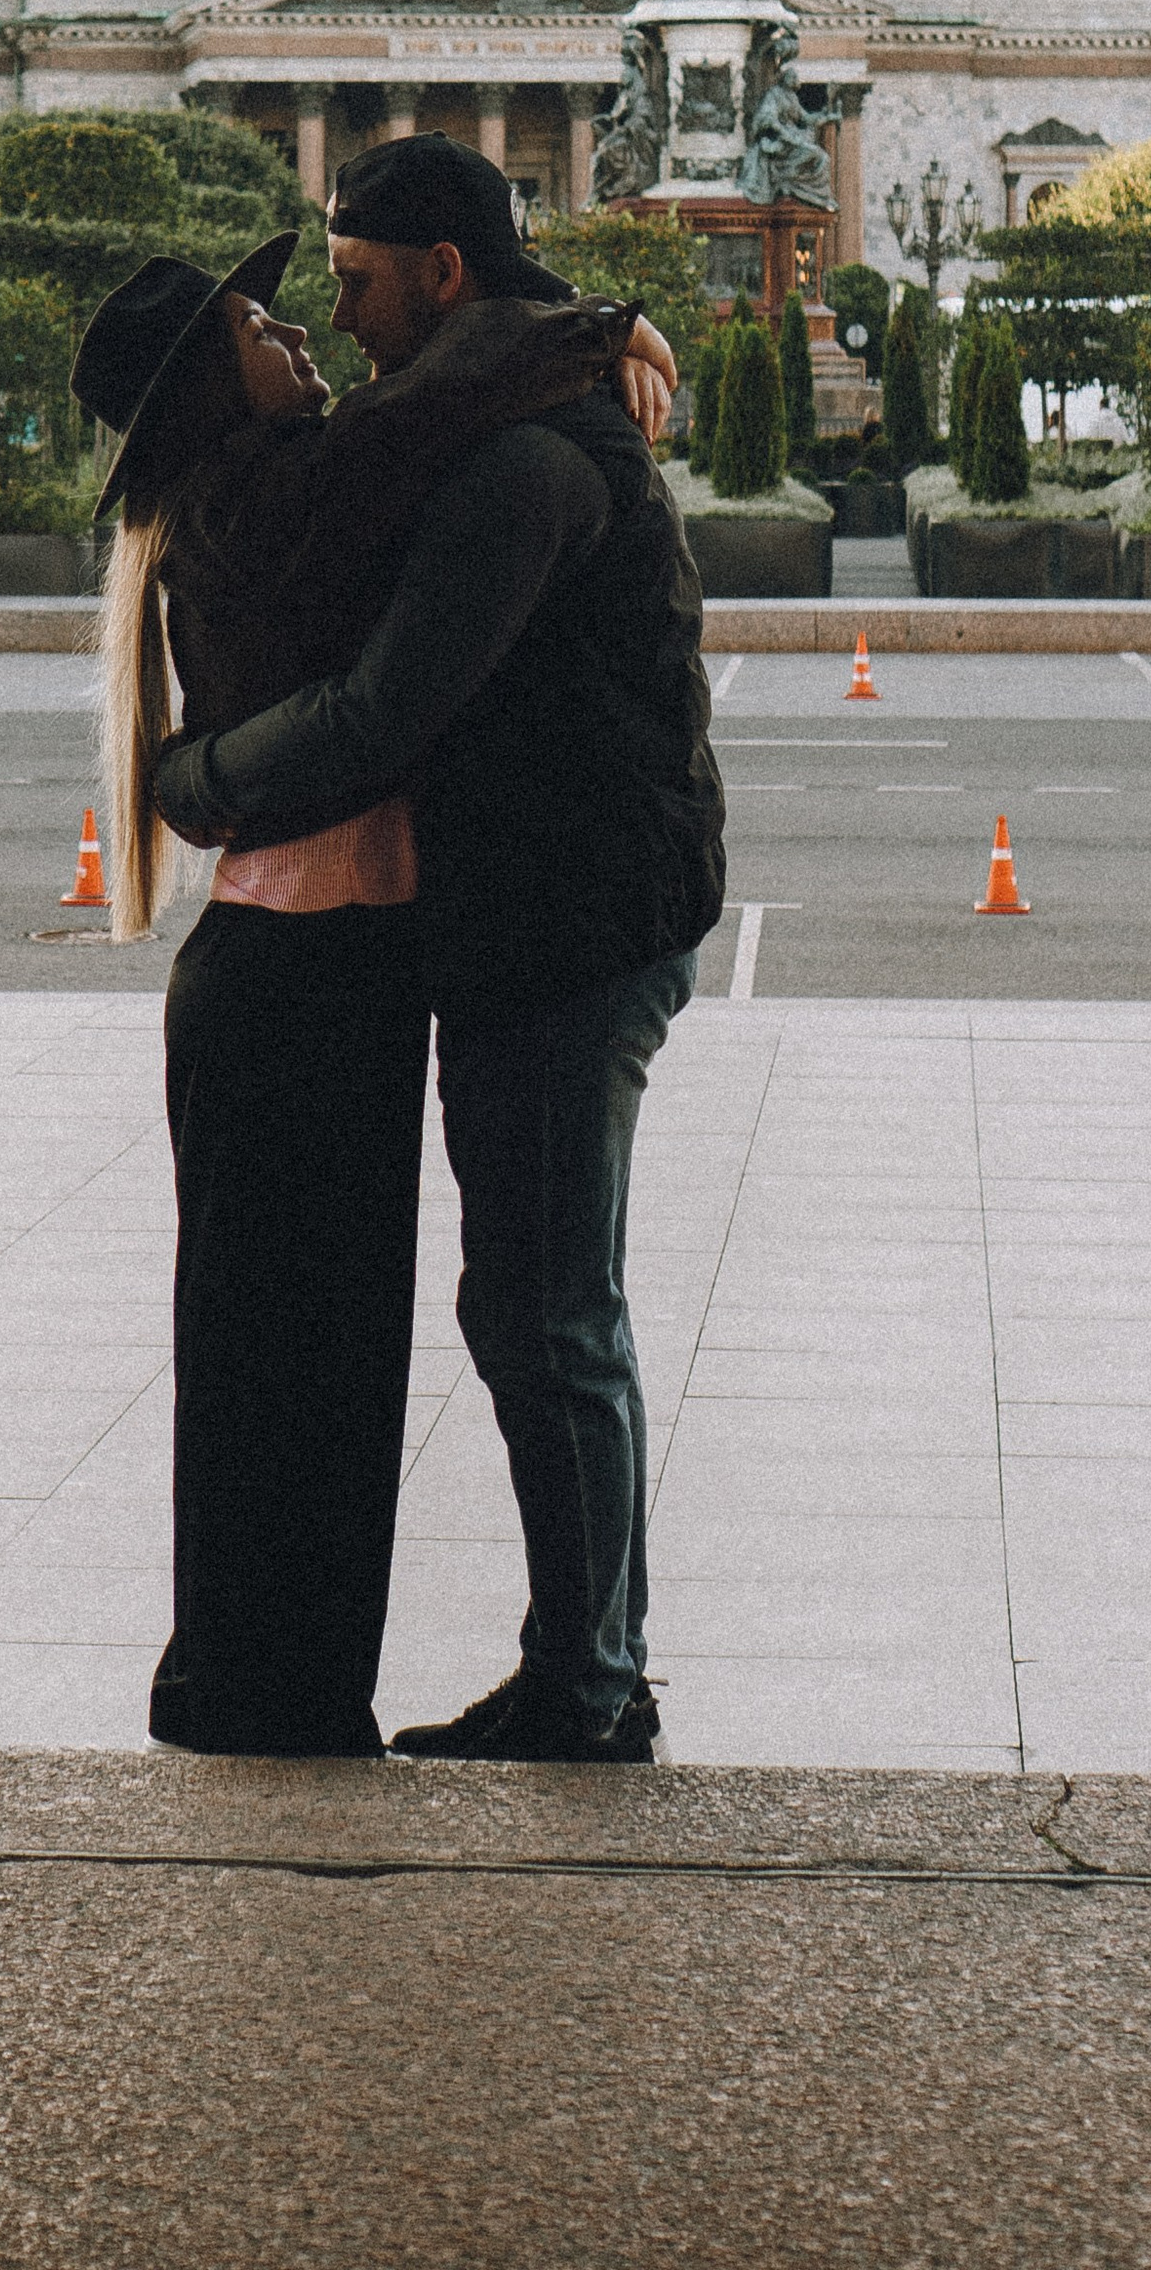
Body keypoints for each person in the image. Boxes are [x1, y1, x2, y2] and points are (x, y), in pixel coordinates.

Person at [152, 136, 726, 1767]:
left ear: (446, 271)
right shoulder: (483, 417)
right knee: (532, 1302)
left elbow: (390, 705)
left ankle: (590, 1683)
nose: (332, 323)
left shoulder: (517, 452)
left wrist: (190, 782)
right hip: (527, 907)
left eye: (350, 283)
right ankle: (587, 1665)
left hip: (565, 918)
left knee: (547, 1307)